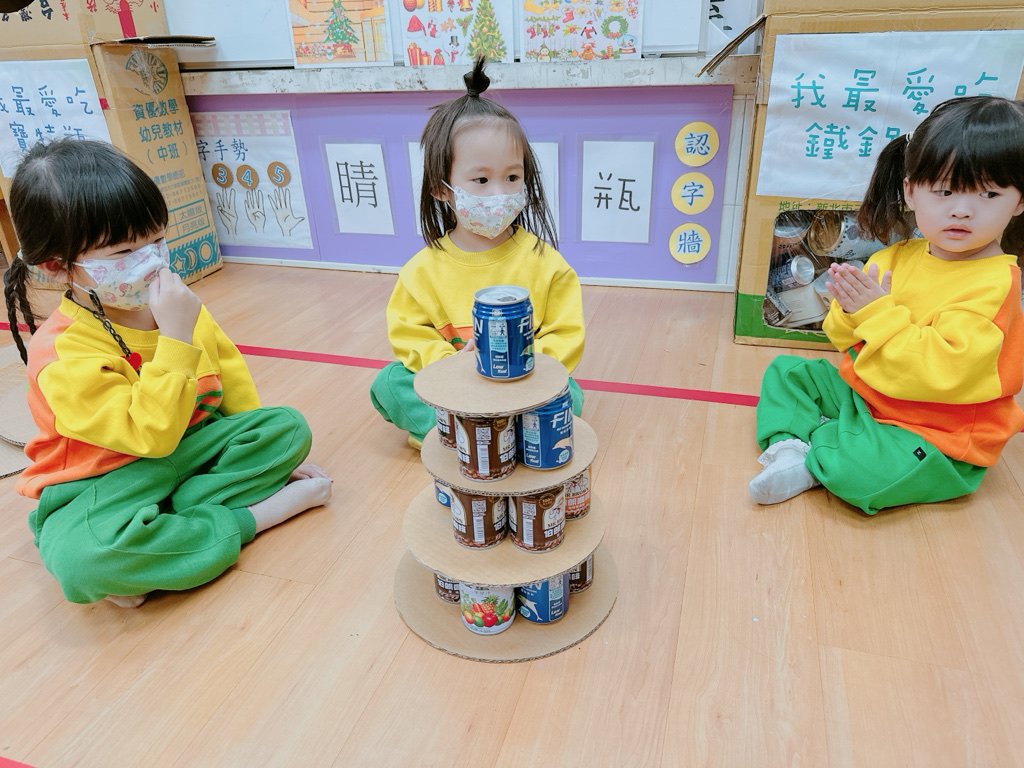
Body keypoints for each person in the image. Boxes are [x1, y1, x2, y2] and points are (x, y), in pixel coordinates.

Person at [3, 138, 332, 607]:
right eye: (123, 251)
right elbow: (149, 436)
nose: (153, 262)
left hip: (192, 448)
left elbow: (231, 381)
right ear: (58, 266)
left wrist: (267, 456)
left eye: (156, 240)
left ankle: (163, 539)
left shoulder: (178, 307)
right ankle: (250, 518)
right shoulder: (61, 353)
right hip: (104, 479)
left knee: (287, 427)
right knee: (82, 560)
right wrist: (175, 337)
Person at [749, 96, 1024, 514]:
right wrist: (850, 312)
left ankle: (820, 449)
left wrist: (876, 313)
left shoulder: (995, 285)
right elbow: (845, 338)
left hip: (937, 431)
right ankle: (791, 450)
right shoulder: (894, 257)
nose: (962, 211)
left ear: (1019, 202)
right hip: (872, 394)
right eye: (944, 191)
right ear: (911, 192)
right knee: (788, 373)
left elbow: (941, 372)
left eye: (989, 193)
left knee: (859, 475)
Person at [370, 57, 585, 449]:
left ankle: (470, 435)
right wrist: (454, 365)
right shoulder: (421, 270)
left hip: (523, 386)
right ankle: (480, 435)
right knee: (389, 382)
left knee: (571, 394)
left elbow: (565, 335)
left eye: (513, 177)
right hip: (455, 386)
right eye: (481, 179)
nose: (500, 193)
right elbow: (409, 334)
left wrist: (521, 367)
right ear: (441, 188)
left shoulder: (547, 263)